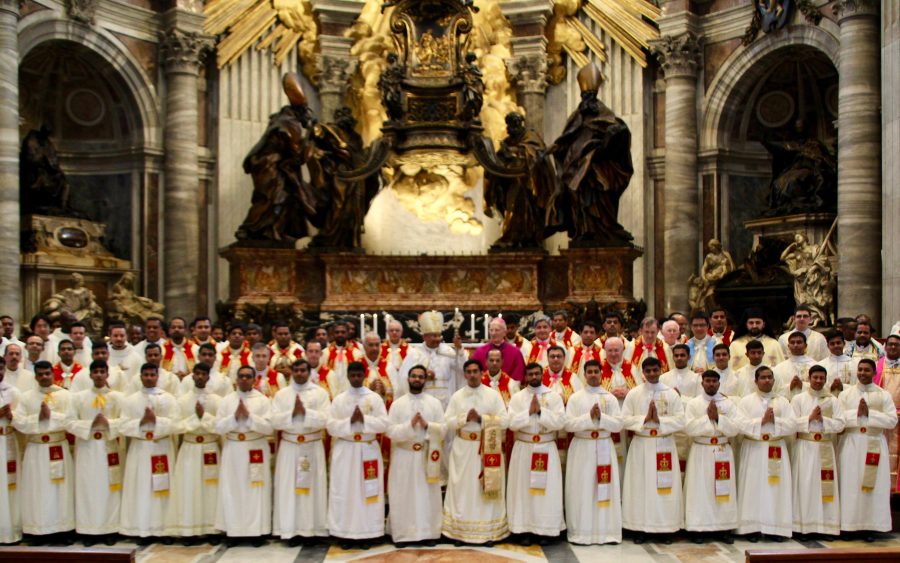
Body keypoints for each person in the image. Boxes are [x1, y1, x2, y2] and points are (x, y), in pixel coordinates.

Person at [443, 359, 510, 544]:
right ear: (464, 374)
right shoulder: (457, 396)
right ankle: (460, 532)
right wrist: (465, 418)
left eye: (475, 371)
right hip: (463, 449)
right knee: (463, 490)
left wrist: (482, 419)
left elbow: (505, 421)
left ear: (482, 373)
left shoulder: (493, 395)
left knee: (486, 489)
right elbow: (446, 422)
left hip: (488, 447)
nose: (472, 375)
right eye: (469, 372)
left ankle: (488, 532)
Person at [620, 357, 685, 543]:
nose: (651, 374)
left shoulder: (671, 394)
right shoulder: (634, 393)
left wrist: (659, 421)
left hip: (663, 444)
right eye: (648, 371)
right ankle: (639, 528)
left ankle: (665, 528)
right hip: (642, 445)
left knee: (662, 488)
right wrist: (645, 419)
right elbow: (624, 420)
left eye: (655, 370)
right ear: (643, 372)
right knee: (641, 487)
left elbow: (681, 420)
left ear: (660, 370)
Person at [326, 361, 389, 548]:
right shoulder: (339, 399)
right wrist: (349, 422)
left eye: (358, 375)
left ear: (364, 376)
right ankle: (345, 534)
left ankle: (368, 533)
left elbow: (384, 424)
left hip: (367, 449)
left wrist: (365, 419)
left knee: (367, 492)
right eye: (352, 375)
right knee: (346, 491)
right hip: (346, 448)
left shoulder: (374, 399)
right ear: (347, 376)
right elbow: (330, 426)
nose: (355, 378)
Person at [564, 359, 623, 544]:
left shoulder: (610, 398)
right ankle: (582, 532)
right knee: (583, 489)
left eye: (596, 371)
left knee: (603, 489)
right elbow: (568, 425)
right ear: (584, 374)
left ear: (601, 373)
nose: (593, 375)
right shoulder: (576, 398)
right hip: (583, 446)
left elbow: (619, 425)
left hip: (604, 445)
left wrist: (601, 417)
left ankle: (606, 532)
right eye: (589, 372)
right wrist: (588, 418)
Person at [13, 360, 74, 537]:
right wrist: (39, 417)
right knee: (37, 488)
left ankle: (62, 530)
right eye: (40, 374)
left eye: (47, 373)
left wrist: (51, 416)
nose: (44, 377)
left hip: (57, 447)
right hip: (36, 448)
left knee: (59, 489)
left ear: (52, 374)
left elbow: (71, 420)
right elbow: (19, 422)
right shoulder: (27, 397)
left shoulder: (65, 395)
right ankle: (37, 530)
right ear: (36, 376)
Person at [272, 359, 331, 544]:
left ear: (309, 372)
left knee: (312, 489)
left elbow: (326, 420)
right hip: (290, 446)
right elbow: (273, 421)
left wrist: (305, 413)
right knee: (289, 488)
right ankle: (290, 530)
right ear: (291, 371)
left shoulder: (320, 393)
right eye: (296, 370)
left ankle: (312, 529)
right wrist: (292, 414)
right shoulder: (282, 395)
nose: (299, 373)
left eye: (303, 370)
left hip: (312, 445)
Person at [838, 358, 898, 538]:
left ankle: (871, 526)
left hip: (874, 443)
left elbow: (892, 420)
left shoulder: (883, 395)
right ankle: (848, 526)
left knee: (872, 486)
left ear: (874, 373)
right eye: (860, 370)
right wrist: (857, 414)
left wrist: (869, 414)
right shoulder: (846, 394)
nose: (862, 373)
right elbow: (839, 420)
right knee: (850, 484)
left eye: (866, 370)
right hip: (852, 443)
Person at [386, 364, 446, 545]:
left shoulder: (434, 403)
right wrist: (410, 425)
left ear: (425, 380)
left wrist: (428, 426)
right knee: (403, 495)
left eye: (421, 377)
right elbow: (390, 431)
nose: (417, 379)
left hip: (426, 456)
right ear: (408, 379)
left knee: (426, 496)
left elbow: (443, 430)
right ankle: (403, 534)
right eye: (414, 376)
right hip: (404, 456)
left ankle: (428, 533)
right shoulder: (398, 404)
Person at [507, 363, 566, 543]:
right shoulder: (517, 398)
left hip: (546, 446)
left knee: (546, 492)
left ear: (542, 374)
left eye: (537, 373)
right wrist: (528, 412)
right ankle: (523, 530)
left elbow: (560, 423)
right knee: (523, 490)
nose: (534, 376)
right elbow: (511, 423)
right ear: (525, 376)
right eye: (530, 374)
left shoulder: (553, 396)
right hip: (524, 447)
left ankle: (545, 530)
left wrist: (541, 412)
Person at [214, 365, 273, 544]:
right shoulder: (227, 401)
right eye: (241, 376)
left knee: (256, 489)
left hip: (255, 447)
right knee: (232, 489)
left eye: (248, 376)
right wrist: (234, 418)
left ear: (254, 380)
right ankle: (234, 531)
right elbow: (217, 427)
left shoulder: (262, 400)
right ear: (236, 379)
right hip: (233, 448)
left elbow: (270, 427)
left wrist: (249, 417)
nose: (244, 379)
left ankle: (257, 531)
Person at [118, 363, 178, 539]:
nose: (149, 378)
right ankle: (141, 528)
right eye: (146, 375)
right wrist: (142, 422)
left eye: (153, 374)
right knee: (141, 488)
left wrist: (156, 420)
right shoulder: (131, 400)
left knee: (162, 489)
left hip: (161, 447)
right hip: (141, 448)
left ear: (157, 376)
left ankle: (165, 529)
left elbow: (175, 423)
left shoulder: (168, 398)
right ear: (141, 377)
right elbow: (122, 426)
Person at [736, 366, 795, 541]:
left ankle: (776, 528)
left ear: (774, 381)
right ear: (755, 381)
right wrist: (760, 422)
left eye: (770, 377)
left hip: (775, 448)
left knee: (775, 488)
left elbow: (792, 425)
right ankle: (751, 528)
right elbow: (739, 424)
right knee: (753, 488)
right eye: (763, 377)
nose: (767, 380)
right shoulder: (746, 401)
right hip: (754, 448)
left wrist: (774, 421)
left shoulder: (783, 402)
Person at [69, 360, 125, 544]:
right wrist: (90, 424)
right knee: (87, 487)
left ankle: (110, 529)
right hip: (87, 446)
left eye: (103, 371)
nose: (99, 375)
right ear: (90, 375)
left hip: (109, 446)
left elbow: (124, 421)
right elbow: (69, 422)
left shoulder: (117, 397)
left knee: (110, 487)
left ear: (107, 374)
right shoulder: (79, 398)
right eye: (96, 371)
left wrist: (109, 423)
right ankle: (88, 530)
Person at [683, 370, 741, 544]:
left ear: (719, 383)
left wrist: (718, 419)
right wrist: (708, 420)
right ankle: (699, 528)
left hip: (722, 449)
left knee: (722, 490)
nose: (711, 384)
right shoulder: (694, 404)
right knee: (700, 490)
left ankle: (723, 528)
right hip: (701, 449)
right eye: (707, 381)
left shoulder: (728, 404)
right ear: (702, 383)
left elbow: (736, 428)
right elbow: (688, 428)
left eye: (714, 381)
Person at [167, 362, 222, 540]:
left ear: (208, 377)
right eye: (196, 374)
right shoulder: (182, 401)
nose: (199, 377)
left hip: (210, 447)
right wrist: (195, 418)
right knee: (189, 487)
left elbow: (221, 426)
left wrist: (204, 417)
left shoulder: (216, 400)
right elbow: (175, 426)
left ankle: (212, 529)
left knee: (211, 488)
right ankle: (188, 530)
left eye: (203, 374)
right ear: (192, 377)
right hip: (190, 447)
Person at [790, 365, 844, 536]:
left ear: (825, 379)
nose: (819, 381)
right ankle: (803, 527)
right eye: (816, 377)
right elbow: (791, 423)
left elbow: (841, 424)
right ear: (809, 378)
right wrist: (810, 418)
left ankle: (826, 527)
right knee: (805, 486)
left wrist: (823, 421)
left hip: (825, 448)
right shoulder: (799, 399)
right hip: (805, 446)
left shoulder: (833, 400)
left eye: (822, 378)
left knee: (824, 487)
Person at [399, 311, 465, 408]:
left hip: (445, 399)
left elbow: (462, 368)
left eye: (439, 335)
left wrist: (459, 350)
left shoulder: (448, 351)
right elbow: (404, 377)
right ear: (424, 337)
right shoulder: (415, 353)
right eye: (434, 336)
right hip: (422, 398)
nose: (437, 339)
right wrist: (423, 376)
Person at [874, 333, 900, 486]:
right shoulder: (877, 366)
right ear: (885, 347)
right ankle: (883, 486)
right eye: (890, 344)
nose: (893, 347)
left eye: (896, 345)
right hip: (882, 419)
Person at [0, 356, 20, 544]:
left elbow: (21, 418)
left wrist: (12, 416)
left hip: (8, 440)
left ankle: (10, 530)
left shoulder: (13, 392)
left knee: (10, 485)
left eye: (1, 369)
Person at [471, 317, 525, 383]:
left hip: (508, 390)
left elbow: (518, 376)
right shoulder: (479, 352)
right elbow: (474, 372)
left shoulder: (516, 352)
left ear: (504, 332)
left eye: (497, 330)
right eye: (491, 330)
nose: (493, 333)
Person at [321, 321, 363, 395]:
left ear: (347, 333)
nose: (340, 334)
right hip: (331, 391)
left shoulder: (357, 353)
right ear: (333, 334)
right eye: (337, 332)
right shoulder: (325, 353)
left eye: (343, 332)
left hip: (350, 392)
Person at [773, 332, 816, 400]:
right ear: (788, 346)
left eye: (799, 342)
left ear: (805, 345)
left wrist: (803, 385)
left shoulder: (814, 365)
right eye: (792, 342)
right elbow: (775, 391)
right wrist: (790, 386)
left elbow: (820, 388)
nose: (795, 345)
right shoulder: (779, 368)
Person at [161, 317, 197, 381]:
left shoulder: (195, 348)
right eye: (173, 327)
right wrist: (174, 377)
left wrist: (186, 377)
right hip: (169, 383)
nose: (176, 329)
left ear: (185, 330)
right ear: (169, 330)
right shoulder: (161, 349)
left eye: (180, 327)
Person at [820, 331, 856, 396]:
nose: (836, 346)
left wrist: (843, 387)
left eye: (838, 343)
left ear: (844, 343)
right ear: (828, 346)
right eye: (832, 344)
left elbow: (858, 385)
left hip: (848, 399)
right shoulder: (821, 365)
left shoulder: (854, 364)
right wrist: (831, 387)